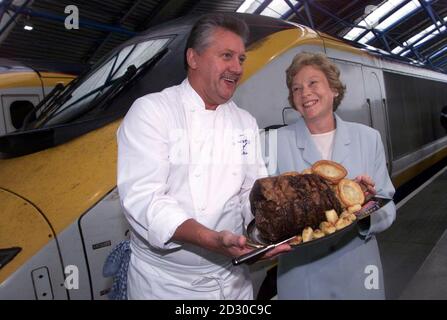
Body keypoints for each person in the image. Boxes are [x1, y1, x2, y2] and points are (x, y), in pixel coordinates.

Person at [116, 13, 289, 300]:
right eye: (226, 55)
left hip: (231, 279)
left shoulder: (244, 121)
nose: (237, 67)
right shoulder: (153, 112)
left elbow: (252, 190)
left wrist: (262, 236)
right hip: (166, 286)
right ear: (193, 58)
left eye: (241, 59)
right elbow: (145, 199)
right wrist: (212, 239)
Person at [275, 52, 396, 299]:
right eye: (296, 88)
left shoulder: (368, 137)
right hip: (302, 278)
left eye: (312, 83)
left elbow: (388, 205)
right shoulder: (273, 143)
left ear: (334, 90)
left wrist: (364, 209)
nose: (304, 92)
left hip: (359, 273)